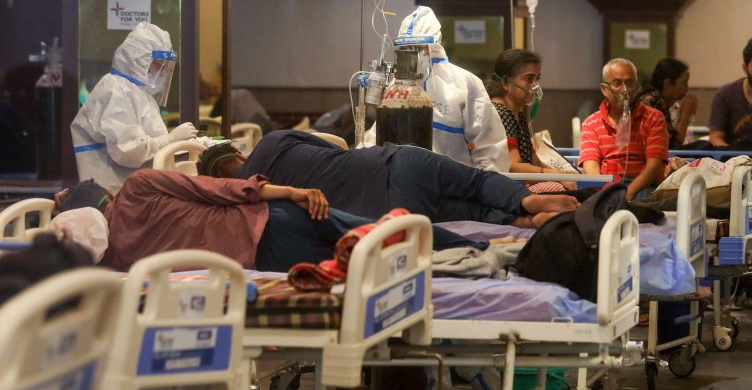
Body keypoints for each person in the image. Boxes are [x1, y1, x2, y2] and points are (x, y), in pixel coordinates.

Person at [55, 170, 489, 273]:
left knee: (369, 267)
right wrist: (292, 191)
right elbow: (221, 188)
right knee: (381, 230)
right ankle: (480, 252)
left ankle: (459, 267)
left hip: (261, 263)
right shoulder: (138, 187)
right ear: (106, 195)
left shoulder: (114, 263)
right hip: (271, 219)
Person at [198, 130, 579, 228]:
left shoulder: (258, 201)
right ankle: (528, 199)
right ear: (239, 154)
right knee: (477, 183)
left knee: (472, 216)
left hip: (385, 209)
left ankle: (525, 221)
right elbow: (337, 147)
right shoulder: (273, 141)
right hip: (396, 162)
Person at [364, 6, 510, 172]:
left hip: (452, 183)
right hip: (401, 180)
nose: (412, 56)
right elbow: (376, 139)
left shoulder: (464, 84)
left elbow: (490, 148)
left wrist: (486, 184)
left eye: (419, 48)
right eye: (406, 49)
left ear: (434, 46)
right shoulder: (396, 86)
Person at [70, 22, 198, 192]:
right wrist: (170, 140)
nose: (163, 72)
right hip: (113, 191)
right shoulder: (116, 91)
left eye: (166, 66)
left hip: (132, 188)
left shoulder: (136, 91)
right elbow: (127, 151)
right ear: (139, 59)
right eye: (159, 64)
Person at [483, 48, 575, 191]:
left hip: (520, 186)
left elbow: (534, 162)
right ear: (505, 83)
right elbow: (513, 167)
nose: (535, 86)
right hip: (506, 190)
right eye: (529, 79)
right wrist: (554, 175)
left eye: (537, 79)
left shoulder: (517, 115)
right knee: (559, 189)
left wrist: (563, 174)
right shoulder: (500, 113)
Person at [578, 58, 668, 201]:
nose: (624, 90)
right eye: (616, 83)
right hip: (605, 185)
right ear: (604, 89)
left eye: (629, 83)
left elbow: (654, 166)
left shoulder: (653, 118)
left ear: (636, 87)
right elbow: (591, 168)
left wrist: (628, 194)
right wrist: (606, 194)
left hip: (642, 186)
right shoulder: (592, 123)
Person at [638, 58, 698, 149]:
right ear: (668, 84)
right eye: (684, 82)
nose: (687, 88)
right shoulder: (653, 102)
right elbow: (673, 145)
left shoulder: (654, 99)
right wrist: (685, 115)